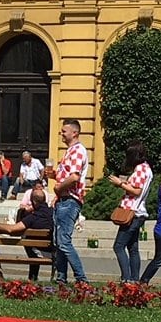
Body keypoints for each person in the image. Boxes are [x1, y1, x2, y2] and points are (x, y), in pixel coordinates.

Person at [108, 141, 153, 283]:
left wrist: (120, 183)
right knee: (133, 247)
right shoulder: (146, 169)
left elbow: (136, 191)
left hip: (132, 212)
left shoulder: (140, 169)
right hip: (138, 212)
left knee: (119, 246)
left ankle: (126, 278)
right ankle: (134, 278)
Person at [53, 119, 89, 284]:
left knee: (64, 241)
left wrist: (59, 187)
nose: (61, 133)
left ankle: (81, 278)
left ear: (74, 133)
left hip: (70, 200)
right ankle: (61, 278)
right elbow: (69, 174)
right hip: (63, 200)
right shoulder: (70, 151)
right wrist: (55, 175)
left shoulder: (77, 151)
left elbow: (74, 177)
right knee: (59, 241)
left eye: (64, 131)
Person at [0, 188, 55, 282]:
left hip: (39, 251)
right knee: (32, 243)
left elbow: (11, 230)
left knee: (29, 241)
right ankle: (38, 278)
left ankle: (32, 278)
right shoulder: (54, 213)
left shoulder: (33, 217)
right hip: (54, 251)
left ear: (33, 201)